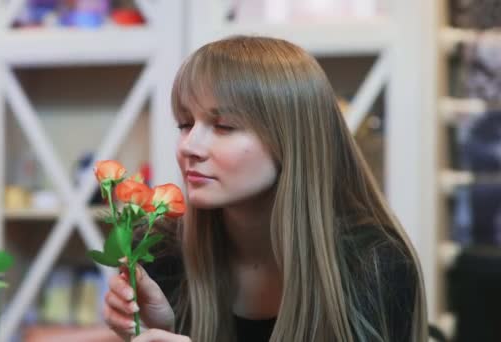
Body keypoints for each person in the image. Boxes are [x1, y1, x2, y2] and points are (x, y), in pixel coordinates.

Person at [103, 36, 428, 342]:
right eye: (185, 124)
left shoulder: (373, 263)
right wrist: (157, 328)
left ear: (292, 143)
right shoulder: (161, 251)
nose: (190, 146)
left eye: (224, 126)